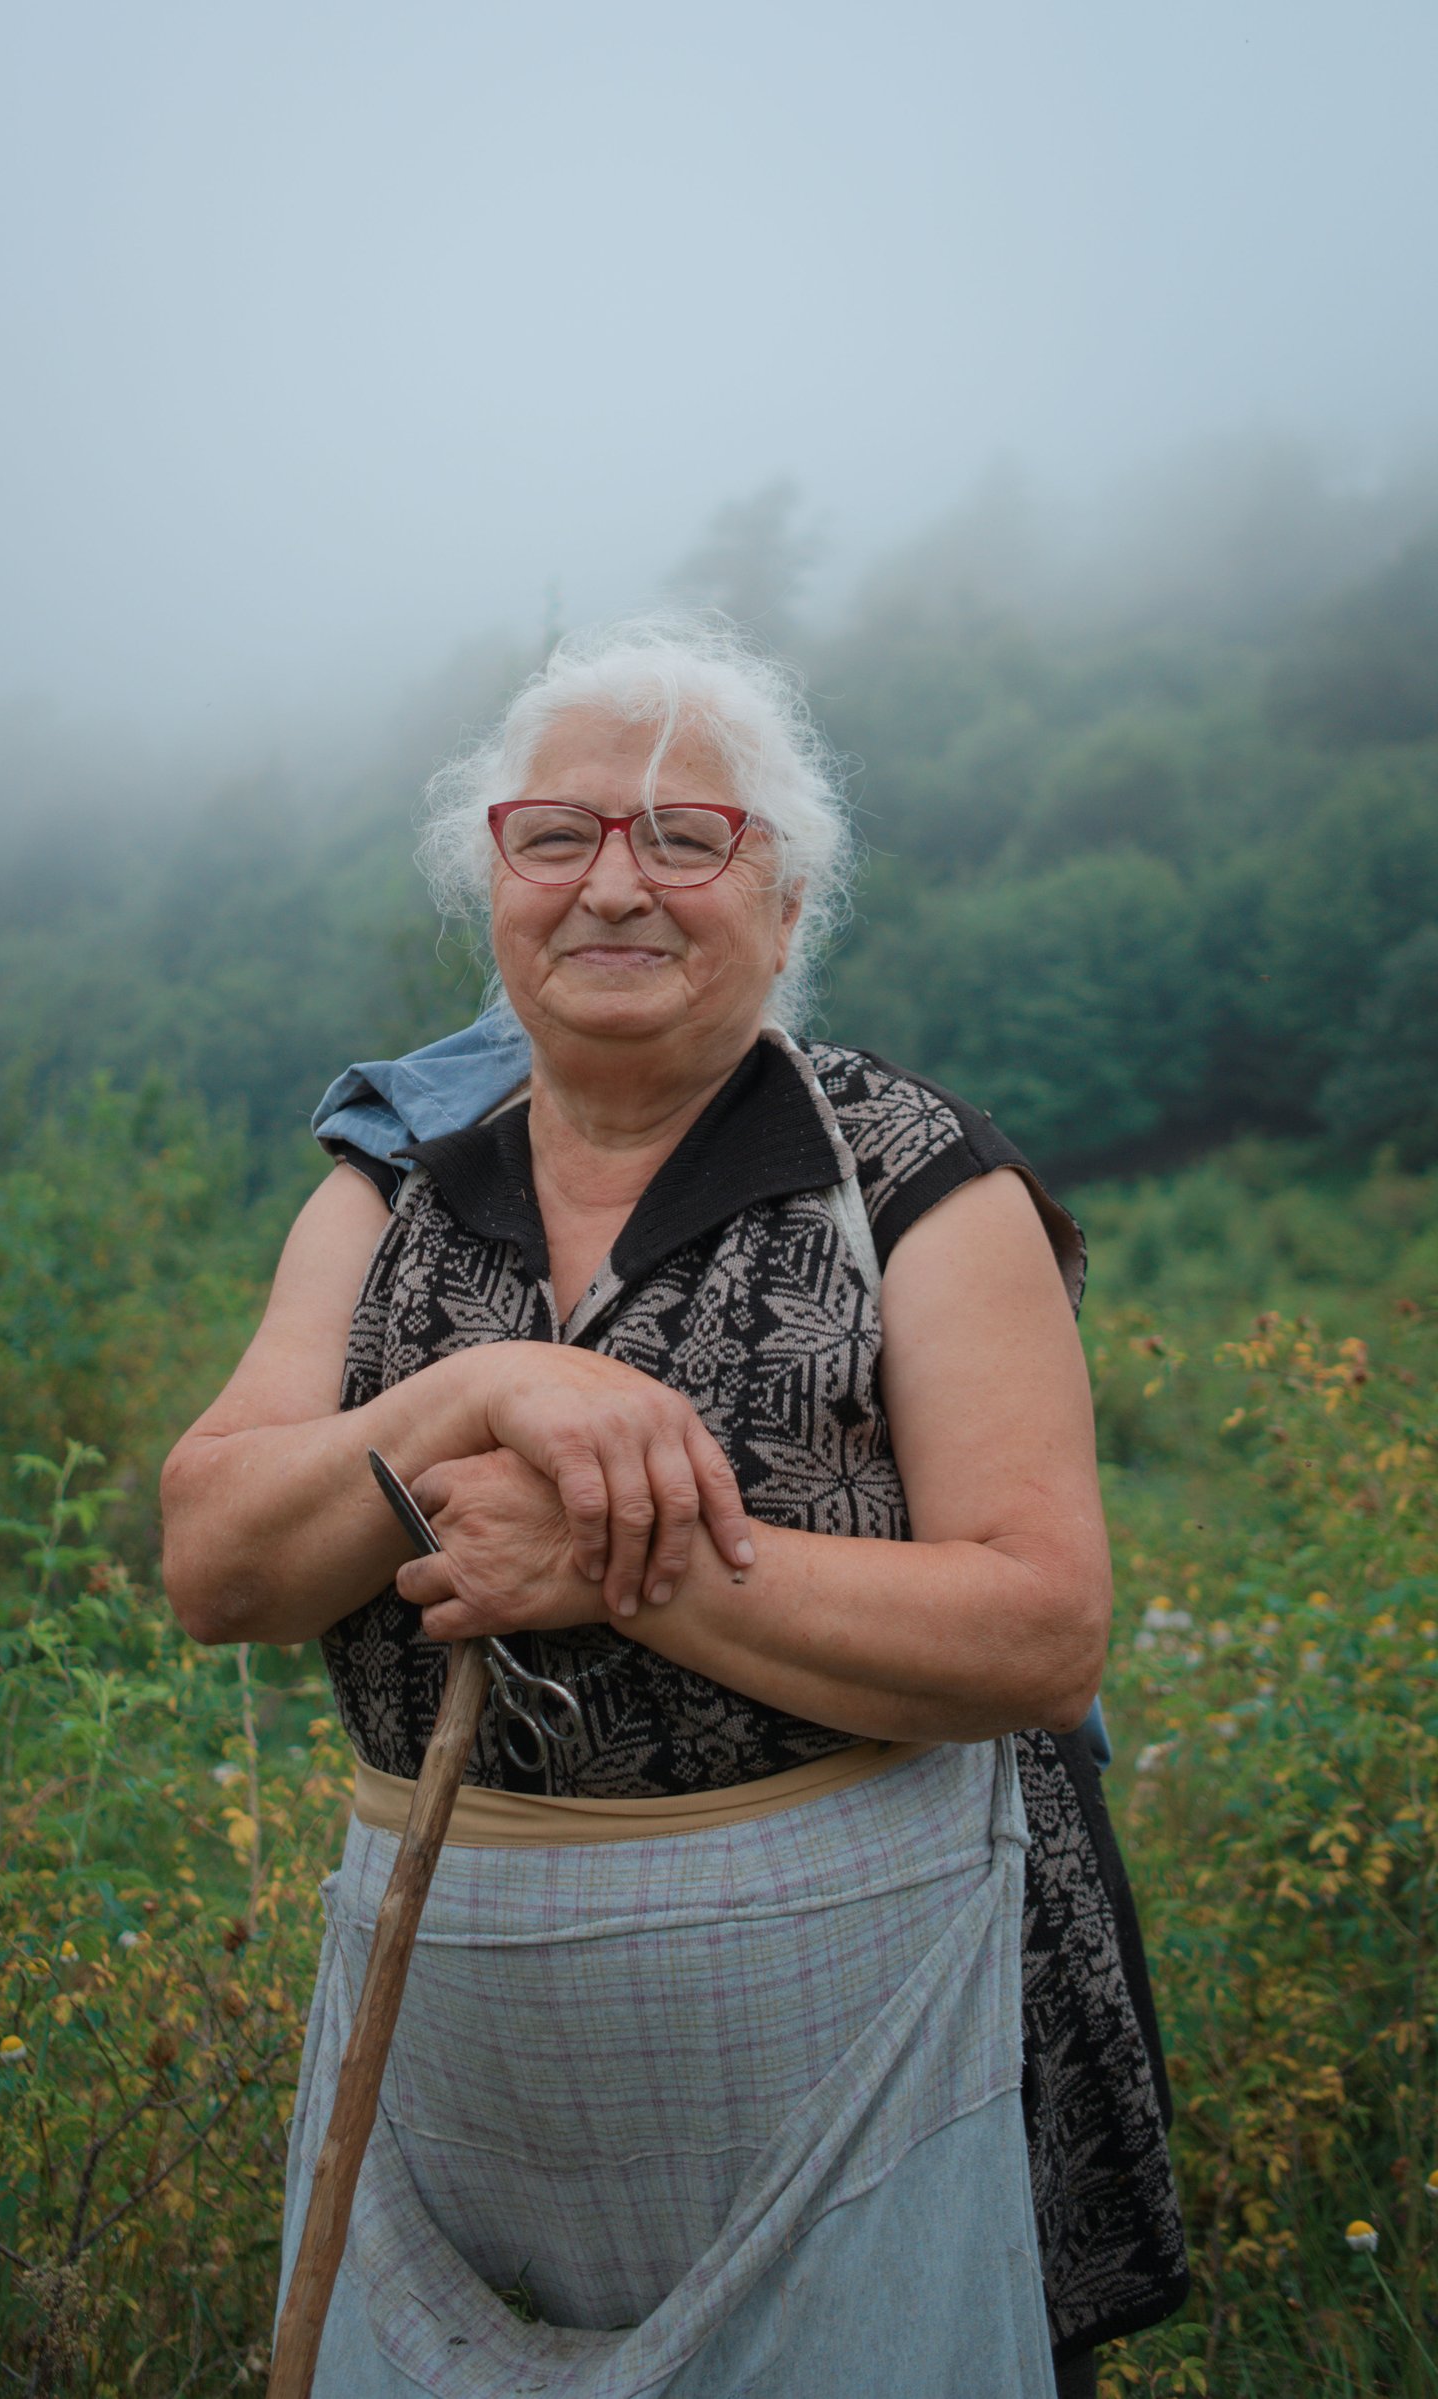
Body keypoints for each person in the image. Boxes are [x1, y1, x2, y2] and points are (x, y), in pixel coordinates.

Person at [161, 619, 1186, 2398]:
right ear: (493, 894)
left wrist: (615, 1572)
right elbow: (216, 1558)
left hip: (861, 2047)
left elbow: (1039, 1629)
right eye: (557, 838)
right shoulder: (384, 1198)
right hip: (447, 2089)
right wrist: (478, 1391)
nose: (613, 887)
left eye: (685, 839)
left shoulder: (919, 1183)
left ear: (785, 906)